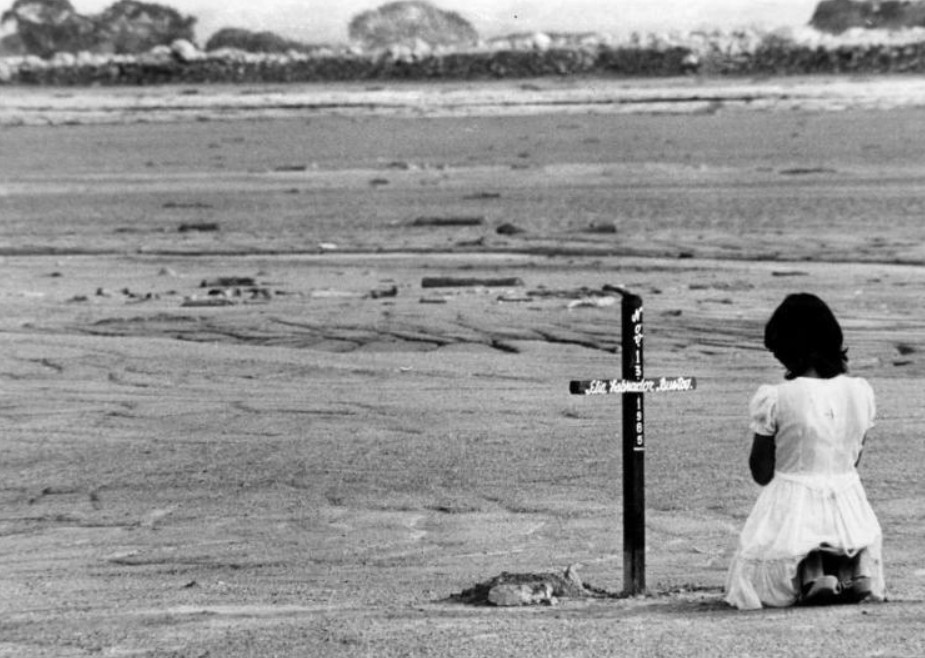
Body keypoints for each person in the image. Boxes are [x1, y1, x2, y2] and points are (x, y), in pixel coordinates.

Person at [725, 293, 886, 610]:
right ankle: (851, 571)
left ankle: (812, 576)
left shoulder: (776, 397)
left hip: (794, 504)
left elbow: (762, 472)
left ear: (788, 348)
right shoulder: (860, 392)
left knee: (795, 533)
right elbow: (853, 459)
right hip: (850, 508)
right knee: (838, 528)